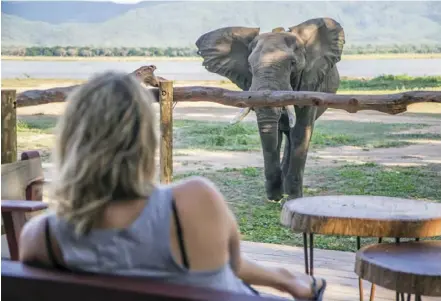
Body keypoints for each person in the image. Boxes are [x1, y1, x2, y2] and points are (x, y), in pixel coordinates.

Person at [18, 71, 327, 300]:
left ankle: (291, 281)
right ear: (144, 138)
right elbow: (230, 262)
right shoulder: (193, 202)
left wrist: (284, 280)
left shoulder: (41, 238)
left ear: (70, 142)